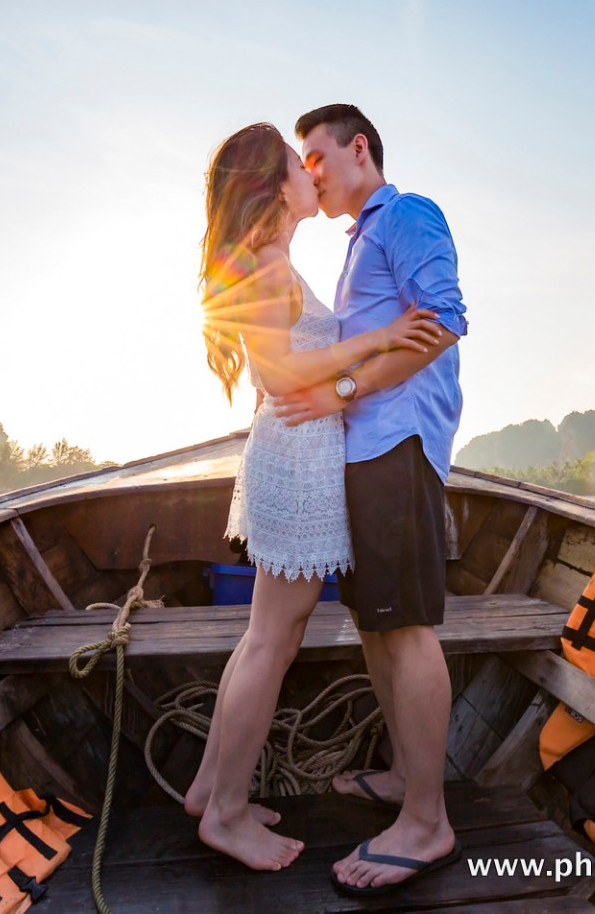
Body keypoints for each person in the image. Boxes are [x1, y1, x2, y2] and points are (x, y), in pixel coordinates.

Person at [188, 122, 444, 872]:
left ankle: (209, 788)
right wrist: (381, 337)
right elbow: (279, 374)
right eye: (299, 167)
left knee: (265, 635)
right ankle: (228, 814)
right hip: (297, 461)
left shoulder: (275, 260)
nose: (313, 176)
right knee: (272, 639)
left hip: (296, 454)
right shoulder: (269, 265)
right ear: (275, 188)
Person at [275, 103, 467, 896]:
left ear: (360, 149)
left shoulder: (407, 214)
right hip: (363, 451)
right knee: (375, 625)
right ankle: (401, 775)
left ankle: (427, 820)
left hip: (397, 446)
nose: (308, 173)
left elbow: (445, 322)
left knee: (408, 629)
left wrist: (344, 388)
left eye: (315, 157)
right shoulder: (358, 242)